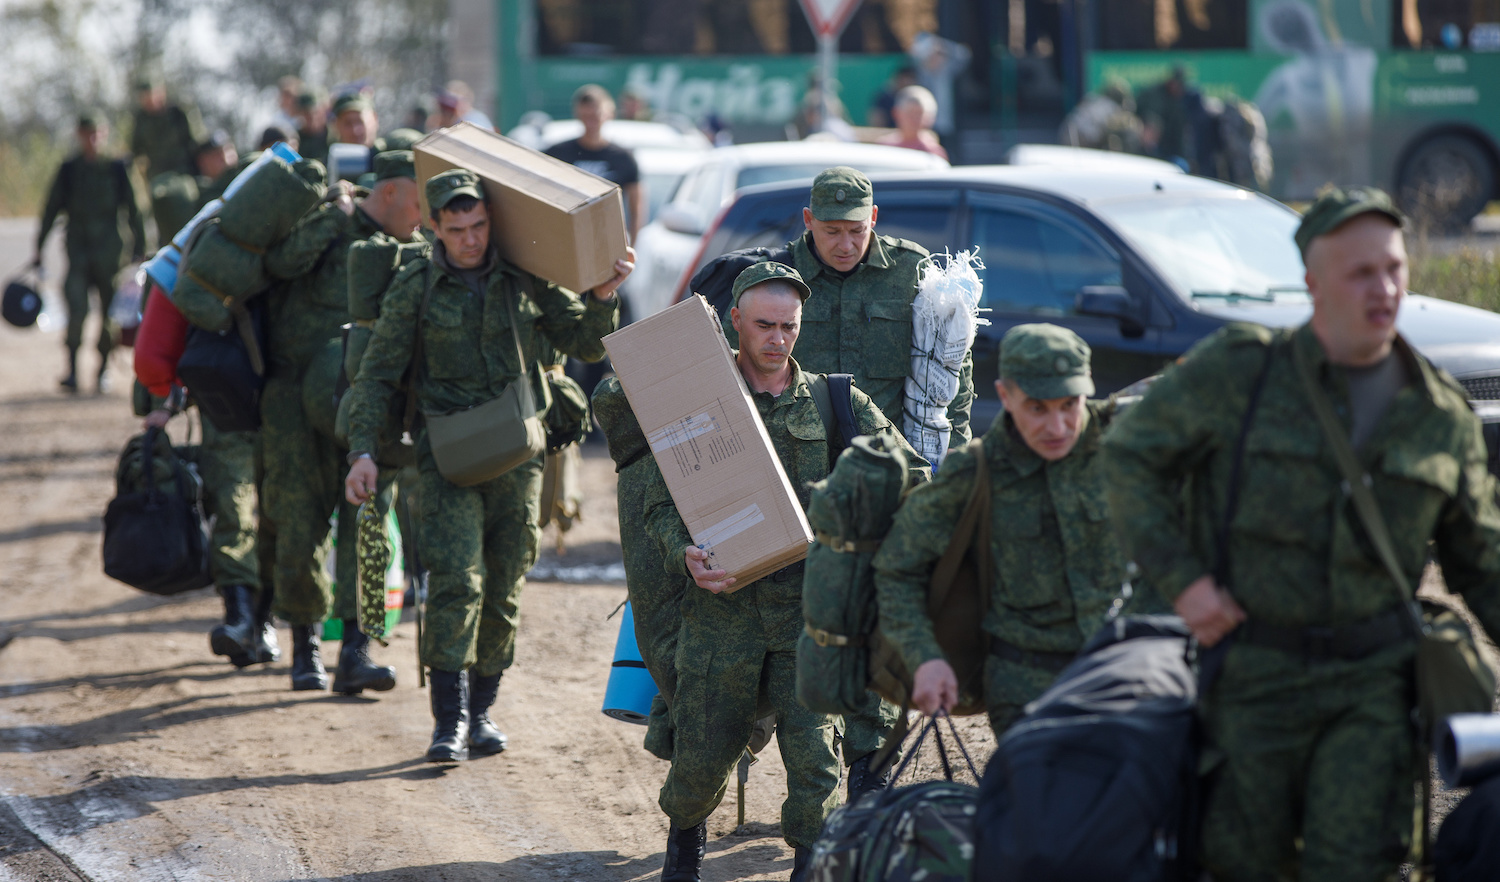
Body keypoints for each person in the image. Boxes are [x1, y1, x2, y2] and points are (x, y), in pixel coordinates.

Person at [1101, 188, 1500, 881]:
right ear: (1313, 283)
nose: (1384, 289)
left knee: (1358, 867)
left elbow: (1483, 564)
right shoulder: (1242, 373)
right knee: (1238, 865)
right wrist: (1184, 582)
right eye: (1360, 273)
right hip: (1253, 680)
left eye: (1395, 269)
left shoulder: (1439, 413)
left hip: (1373, 690)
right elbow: (1129, 455)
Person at [695, 166, 976, 793]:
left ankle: (868, 772)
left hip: (877, 470)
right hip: (790, 468)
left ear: (873, 221)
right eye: (830, 231)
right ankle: (755, 733)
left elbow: (948, 384)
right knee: (779, 616)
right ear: (807, 224)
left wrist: (943, 468)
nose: (844, 243)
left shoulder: (913, 274)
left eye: (855, 230)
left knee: (871, 616)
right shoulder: (776, 282)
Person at [644, 261, 927, 882]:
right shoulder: (703, 405)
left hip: (810, 611)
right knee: (701, 753)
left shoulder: (835, 399)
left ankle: (810, 863)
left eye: (789, 327)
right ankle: (682, 850)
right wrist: (683, 553)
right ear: (736, 323)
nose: (777, 339)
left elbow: (909, 475)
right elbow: (660, 503)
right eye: (765, 326)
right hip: (725, 615)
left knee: (815, 763)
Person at [342, 168, 632, 762]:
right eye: (457, 229)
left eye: (478, 226)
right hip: (446, 457)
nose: (470, 239)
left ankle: (483, 713)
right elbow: (377, 374)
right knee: (455, 581)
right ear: (434, 227)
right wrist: (362, 451)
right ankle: (446, 723)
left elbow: (581, 344)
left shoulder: (522, 277)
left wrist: (604, 298)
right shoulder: (415, 284)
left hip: (518, 456)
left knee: (504, 584)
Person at [875, 324, 1153, 736]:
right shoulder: (975, 472)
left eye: (1069, 405)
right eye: (1038, 408)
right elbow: (897, 569)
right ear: (1005, 396)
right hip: (1026, 687)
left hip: (1120, 670)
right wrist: (925, 657)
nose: (1057, 427)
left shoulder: (1124, 444)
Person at [259, 151, 422, 696]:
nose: (424, 217)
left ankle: (357, 649)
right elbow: (280, 264)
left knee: (371, 524)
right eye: (420, 201)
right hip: (294, 399)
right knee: (300, 518)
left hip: (370, 401)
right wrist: (332, 214)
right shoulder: (333, 224)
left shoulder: (412, 250)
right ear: (394, 192)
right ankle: (305, 647)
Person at [133, 282, 277, 669]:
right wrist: (162, 399)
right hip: (223, 398)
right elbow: (173, 312)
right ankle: (239, 616)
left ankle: (262, 619)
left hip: (284, 399)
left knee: (281, 516)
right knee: (233, 506)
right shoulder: (214, 244)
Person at [33, 112, 146, 393]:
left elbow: (136, 210)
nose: (93, 139)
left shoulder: (118, 168)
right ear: (79, 135)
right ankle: (72, 370)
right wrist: (39, 248)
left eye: (97, 133)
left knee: (110, 313)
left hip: (110, 253)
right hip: (79, 252)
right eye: (87, 134)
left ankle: (103, 370)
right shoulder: (69, 170)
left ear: (105, 133)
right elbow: (50, 209)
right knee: (77, 308)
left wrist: (141, 249)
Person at [544, 85, 644, 242]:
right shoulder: (557, 154)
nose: (591, 123)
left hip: (608, 239)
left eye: (595, 116)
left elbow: (636, 208)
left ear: (609, 114)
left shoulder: (623, 158)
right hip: (565, 237)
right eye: (586, 116)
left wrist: (632, 246)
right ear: (578, 114)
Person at [129, 73, 206, 181]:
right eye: (144, 97)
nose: (150, 100)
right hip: (158, 178)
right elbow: (136, 150)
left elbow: (198, 144)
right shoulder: (141, 119)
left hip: (185, 173)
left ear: (162, 93)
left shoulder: (179, 113)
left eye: (152, 95)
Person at [875, 85, 948, 160]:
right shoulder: (884, 148)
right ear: (896, 113)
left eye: (919, 114)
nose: (914, 119)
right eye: (910, 113)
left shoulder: (933, 153)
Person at [327, 92, 386, 181]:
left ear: (375, 119)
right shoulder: (329, 165)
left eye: (360, 122)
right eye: (348, 123)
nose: (355, 131)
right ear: (336, 125)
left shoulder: (386, 160)